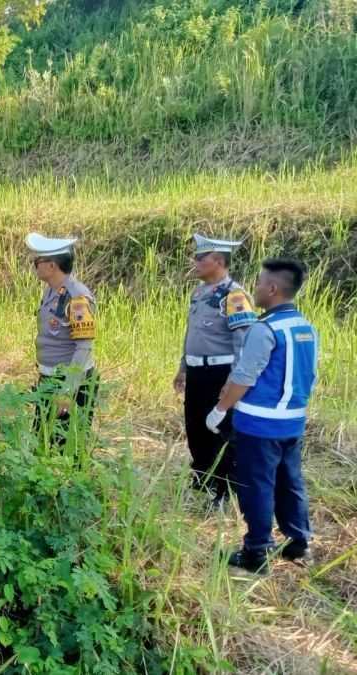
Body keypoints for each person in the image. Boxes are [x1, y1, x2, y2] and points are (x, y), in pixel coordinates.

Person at [207, 258, 318, 573]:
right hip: (293, 421)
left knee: (256, 485)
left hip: (259, 424)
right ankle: (299, 543)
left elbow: (244, 377)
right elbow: (310, 375)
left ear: (273, 288)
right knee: (290, 480)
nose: (254, 289)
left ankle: (256, 551)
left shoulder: (264, 328)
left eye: (258, 283)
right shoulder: (305, 327)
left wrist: (220, 410)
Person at [173, 234, 256, 509]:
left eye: (201, 258)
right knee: (195, 428)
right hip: (197, 373)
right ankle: (203, 483)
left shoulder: (234, 296)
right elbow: (191, 335)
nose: (194, 262)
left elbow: (244, 342)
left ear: (219, 262)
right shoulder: (199, 293)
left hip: (220, 373)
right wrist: (183, 368)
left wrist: (233, 380)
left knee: (220, 433)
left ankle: (223, 493)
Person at [26, 233, 98, 446]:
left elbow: (84, 347)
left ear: (51, 266)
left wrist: (67, 390)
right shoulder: (52, 291)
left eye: (36, 262)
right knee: (42, 441)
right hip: (50, 379)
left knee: (68, 448)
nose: (34, 267)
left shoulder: (77, 298)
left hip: (69, 382)